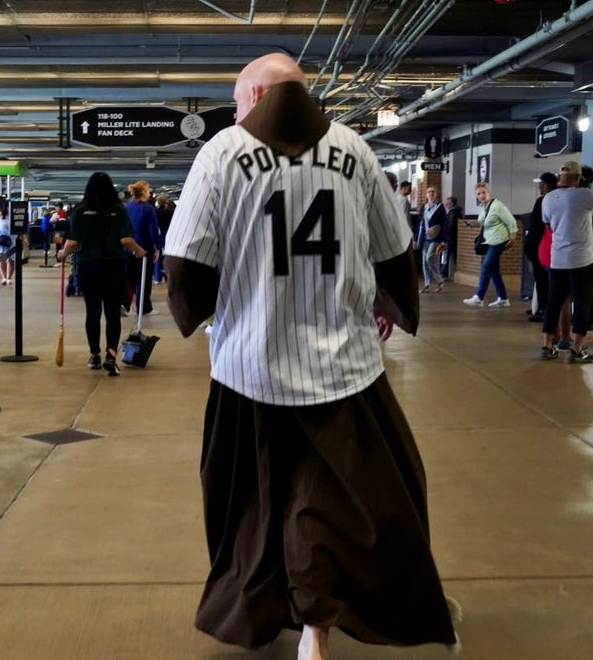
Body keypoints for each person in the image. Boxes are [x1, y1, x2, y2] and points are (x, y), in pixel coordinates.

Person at [164, 52, 460, 659]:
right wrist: (395, 304)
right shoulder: (354, 149)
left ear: (253, 95)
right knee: (367, 499)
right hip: (345, 368)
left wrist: (194, 313)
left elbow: (187, 261)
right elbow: (394, 248)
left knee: (252, 505)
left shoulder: (220, 152)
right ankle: (326, 621)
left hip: (249, 368)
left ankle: (269, 609)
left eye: (240, 97)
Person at [57, 172, 147, 377]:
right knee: (113, 312)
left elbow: (72, 243)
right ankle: (110, 355)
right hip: (113, 265)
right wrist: (139, 250)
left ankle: (94, 355)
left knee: (93, 311)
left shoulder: (79, 211)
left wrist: (63, 253)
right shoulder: (118, 210)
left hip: (88, 266)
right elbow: (125, 240)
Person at [539, 161, 593, 363]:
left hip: (557, 259)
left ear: (559, 177)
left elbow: (548, 224)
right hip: (582, 260)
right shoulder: (582, 195)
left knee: (553, 302)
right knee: (582, 304)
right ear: (578, 178)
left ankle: (547, 345)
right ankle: (577, 348)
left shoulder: (547, 199)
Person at [462, 182, 517, 307]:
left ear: (489, 192)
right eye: (478, 194)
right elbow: (483, 222)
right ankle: (503, 298)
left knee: (486, 267)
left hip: (498, 241)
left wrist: (513, 238)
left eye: (483, 193)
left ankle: (479, 297)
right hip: (489, 241)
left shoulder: (498, 206)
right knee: (493, 270)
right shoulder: (483, 207)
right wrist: (473, 223)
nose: (481, 196)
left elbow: (511, 221)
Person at [123, 180, 161, 315]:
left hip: (127, 247)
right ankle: (144, 307)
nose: (149, 192)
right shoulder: (148, 208)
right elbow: (153, 230)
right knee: (144, 278)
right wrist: (157, 248)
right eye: (148, 190)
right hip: (144, 247)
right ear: (143, 192)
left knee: (129, 277)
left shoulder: (126, 207)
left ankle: (126, 305)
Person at [525, 172, 558, 322]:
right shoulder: (556, 200)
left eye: (541, 184)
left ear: (547, 185)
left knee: (542, 279)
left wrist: (530, 247)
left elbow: (536, 227)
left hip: (541, 247)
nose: (539, 187)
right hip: (548, 247)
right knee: (544, 279)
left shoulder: (543, 201)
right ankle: (541, 307)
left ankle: (544, 309)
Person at [414, 186, 447, 292]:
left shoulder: (440, 207)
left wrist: (444, 240)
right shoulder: (424, 207)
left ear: (436, 194)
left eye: (433, 191)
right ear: (426, 195)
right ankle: (427, 284)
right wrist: (416, 239)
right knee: (424, 261)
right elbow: (420, 223)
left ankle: (440, 279)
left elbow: (445, 223)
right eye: (429, 192)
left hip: (436, 237)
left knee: (429, 258)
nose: (431, 193)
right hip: (425, 237)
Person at [442, 195, 461, 281]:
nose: (446, 204)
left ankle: (444, 274)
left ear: (452, 203)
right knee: (453, 256)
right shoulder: (457, 212)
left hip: (450, 238)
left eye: (447, 203)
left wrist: (445, 236)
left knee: (447, 256)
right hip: (454, 238)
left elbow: (450, 226)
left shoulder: (452, 212)